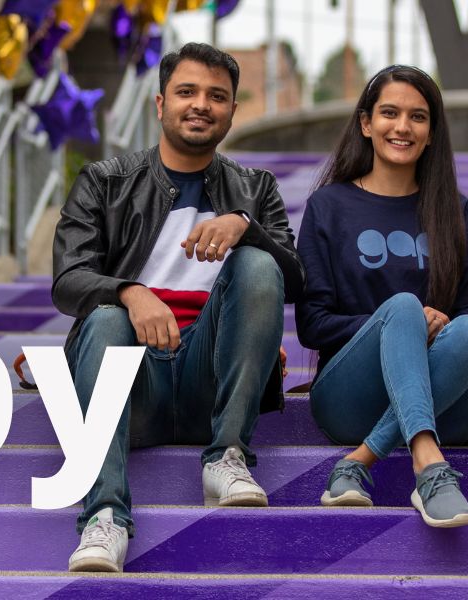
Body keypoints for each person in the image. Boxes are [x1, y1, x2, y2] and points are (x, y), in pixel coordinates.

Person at [55, 43, 304, 573]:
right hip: (133, 376)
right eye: (187, 92)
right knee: (103, 314)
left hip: (209, 379)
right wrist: (130, 291)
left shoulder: (256, 189)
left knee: (260, 264)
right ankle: (104, 519)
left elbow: (296, 279)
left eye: (217, 96)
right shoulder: (105, 182)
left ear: (233, 111)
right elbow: (68, 280)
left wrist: (246, 227)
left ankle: (228, 457)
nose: (201, 105)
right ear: (160, 103)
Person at [295, 65, 468, 528]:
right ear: (366, 124)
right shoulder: (328, 206)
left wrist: (434, 327)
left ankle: (361, 461)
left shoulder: (453, 210)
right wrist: (390, 325)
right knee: (402, 308)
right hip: (350, 398)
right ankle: (427, 460)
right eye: (389, 113)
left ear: (431, 132)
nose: (402, 127)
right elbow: (313, 324)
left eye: (418, 117)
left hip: (444, 400)